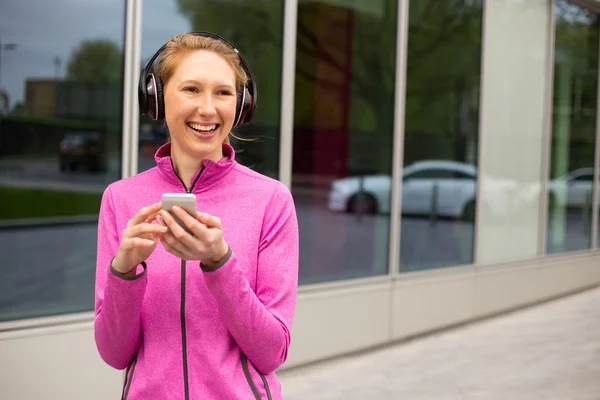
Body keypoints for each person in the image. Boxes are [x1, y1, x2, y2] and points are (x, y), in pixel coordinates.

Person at [93, 31, 299, 400]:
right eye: (191, 89)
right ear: (156, 99)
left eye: (223, 92)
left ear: (241, 105)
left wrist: (219, 263)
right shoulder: (119, 199)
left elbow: (272, 352)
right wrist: (123, 271)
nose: (208, 108)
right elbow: (113, 353)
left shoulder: (271, 200)